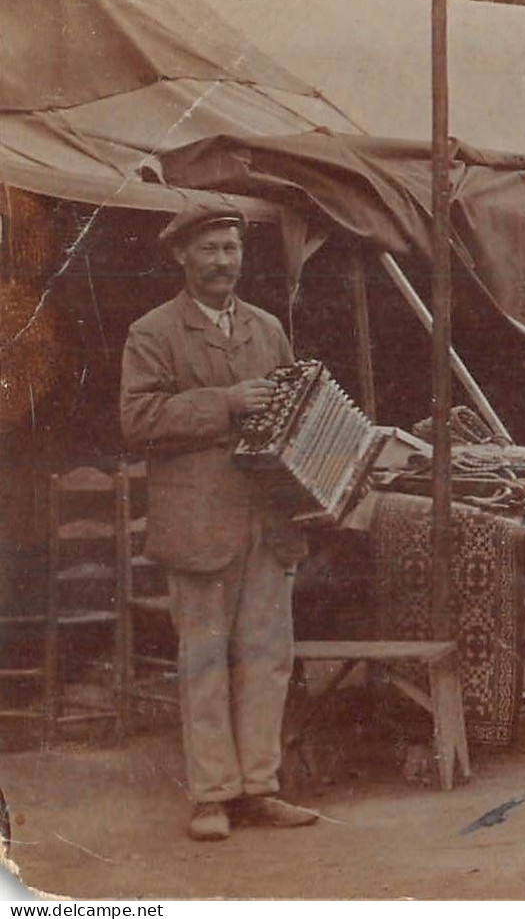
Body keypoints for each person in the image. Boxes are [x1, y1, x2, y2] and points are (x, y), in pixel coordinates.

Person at [120, 205, 319, 842]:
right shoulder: (152, 332)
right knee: (204, 661)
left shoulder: (266, 330)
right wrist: (226, 404)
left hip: (267, 520)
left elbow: (293, 416)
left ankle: (260, 788)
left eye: (231, 248)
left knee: (265, 658)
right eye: (208, 249)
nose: (222, 261)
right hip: (199, 524)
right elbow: (139, 420)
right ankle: (211, 797)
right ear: (181, 256)